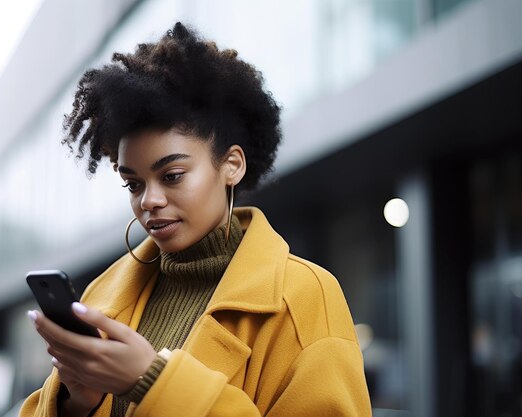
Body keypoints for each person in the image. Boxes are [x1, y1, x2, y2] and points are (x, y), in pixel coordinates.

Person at [20, 22, 371, 417]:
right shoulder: (104, 296)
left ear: (232, 165)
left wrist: (152, 381)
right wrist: (76, 404)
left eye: (171, 176)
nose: (149, 200)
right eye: (133, 184)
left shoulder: (305, 297)